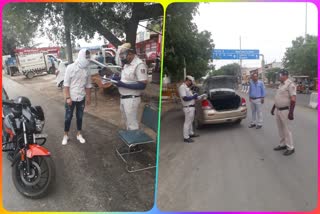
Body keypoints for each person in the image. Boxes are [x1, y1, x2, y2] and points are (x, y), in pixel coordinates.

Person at [112, 43, 148, 130]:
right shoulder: (127, 64)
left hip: (132, 99)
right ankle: (130, 142)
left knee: (132, 124)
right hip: (124, 98)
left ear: (130, 53)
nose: (122, 58)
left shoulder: (139, 65)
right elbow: (127, 78)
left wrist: (123, 84)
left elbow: (142, 85)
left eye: (123, 56)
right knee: (126, 122)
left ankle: (135, 143)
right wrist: (118, 78)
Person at [62, 49, 92, 145]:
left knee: (80, 117)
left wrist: (88, 97)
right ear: (81, 55)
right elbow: (66, 84)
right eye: (86, 56)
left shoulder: (87, 69)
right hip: (71, 97)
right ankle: (65, 135)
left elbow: (88, 85)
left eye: (88, 56)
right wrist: (67, 98)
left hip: (81, 97)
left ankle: (79, 134)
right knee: (68, 117)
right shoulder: (70, 68)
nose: (87, 58)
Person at [271, 69, 296, 156]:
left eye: (279, 75)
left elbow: (293, 99)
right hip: (278, 110)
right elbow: (278, 97)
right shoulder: (281, 85)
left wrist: (291, 113)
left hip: (285, 110)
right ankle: (283, 144)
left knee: (286, 130)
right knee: (280, 129)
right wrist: (273, 108)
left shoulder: (290, 84)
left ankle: (290, 147)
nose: (278, 76)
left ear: (285, 75)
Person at [178, 75, 200, 143]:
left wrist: (197, 96)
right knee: (187, 123)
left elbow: (191, 97)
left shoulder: (187, 88)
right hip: (188, 107)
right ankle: (186, 137)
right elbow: (185, 98)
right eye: (190, 82)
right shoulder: (182, 87)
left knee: (190, 121)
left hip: (191, 107)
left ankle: (191, 133)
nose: (191, 83)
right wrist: (193, 96)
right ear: (187, 80)